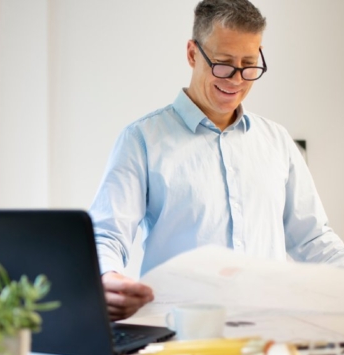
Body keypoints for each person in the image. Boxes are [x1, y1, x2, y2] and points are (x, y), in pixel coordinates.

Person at [89, 0, 344, 322]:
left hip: (269, 334)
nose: (236, 79)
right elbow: (107, 234)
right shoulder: (142, 140)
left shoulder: (277, 141)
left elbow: (312, 239)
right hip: (178, 333)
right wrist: (106, 276)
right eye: (223, 64)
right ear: (193, 53)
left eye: (249, 64)